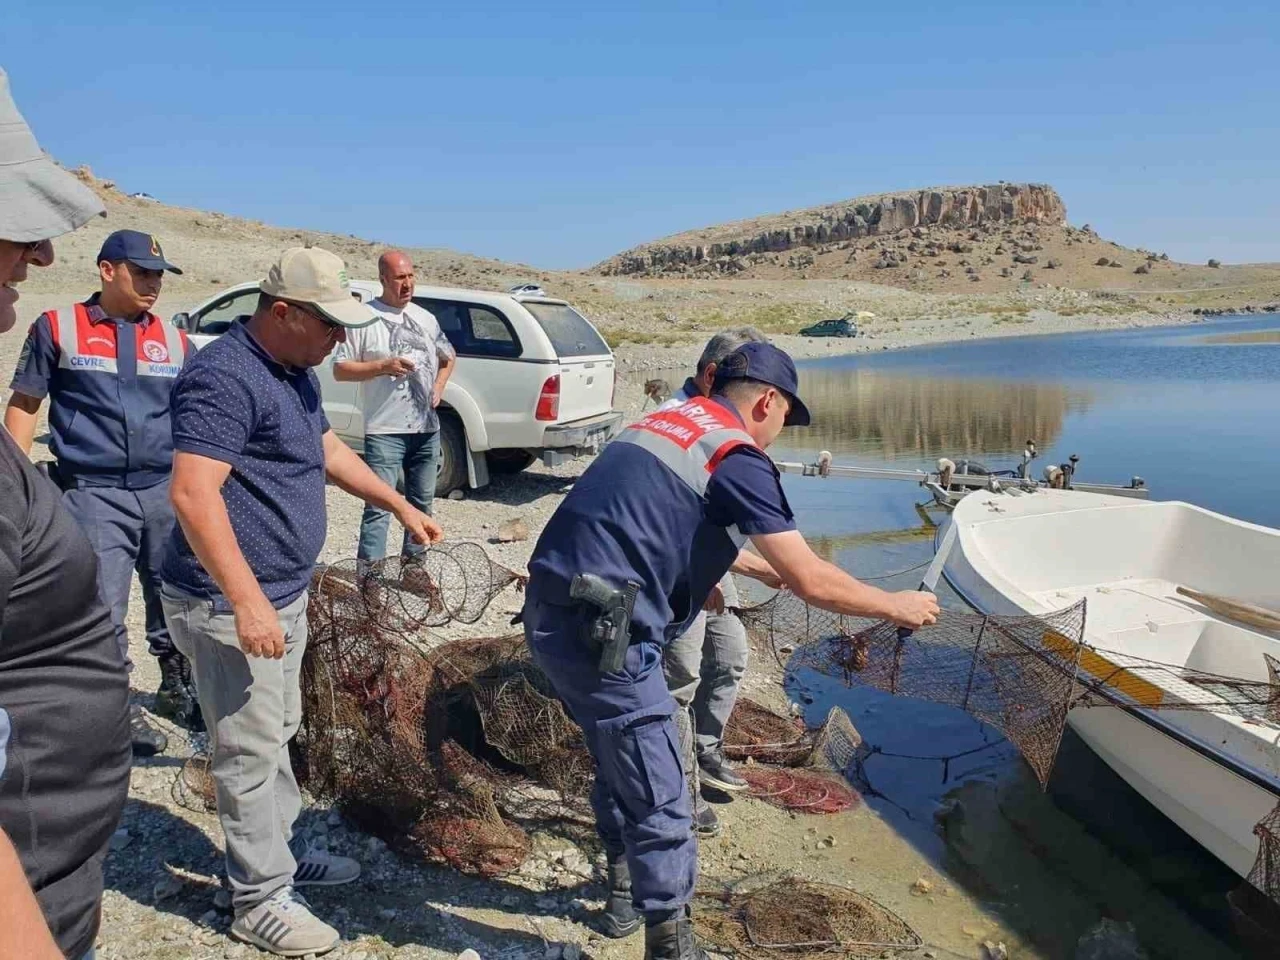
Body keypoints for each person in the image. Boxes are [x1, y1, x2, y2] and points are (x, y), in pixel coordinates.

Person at [522, 342, 938, 959]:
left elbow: (649, 518)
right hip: (606, 637)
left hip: (555, 613)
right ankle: (670, 936)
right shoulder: (736, 453)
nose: (776, 438)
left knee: (616, 752)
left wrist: (745, 564)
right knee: (661, 779)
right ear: (766, 400)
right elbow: (813, 580)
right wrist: (896, 605)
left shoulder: (664, 421)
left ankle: (621, 889)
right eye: (781, 421)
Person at [160, 245, 444, 958]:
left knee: (280, 727)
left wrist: (400, 504)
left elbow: (329, 453)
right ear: (281, 312)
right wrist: (247, 602)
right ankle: (256, 900)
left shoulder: (294, 371)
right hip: (228, 603)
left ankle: (272, 861)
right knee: (248, 748)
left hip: (280, 593)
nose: (339, 339)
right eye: (327, 324)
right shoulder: (225, 376)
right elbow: (193, 495)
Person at [0, 66, 131, 960]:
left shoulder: (161, 336)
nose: (38, 255)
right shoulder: (61, 330)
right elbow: (30, 407)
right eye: (15, 227)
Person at [5, 227, 199, 755]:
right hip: (92, 494)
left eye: (158, 275)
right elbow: (26, 406)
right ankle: (113, 713)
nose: (153, 284)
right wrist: (16, 493)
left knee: (174, 594)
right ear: (107, 269)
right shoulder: (58, 327)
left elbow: (192, 418)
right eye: (142, 273)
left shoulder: (175, 340)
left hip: (162, 490)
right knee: (103, 608)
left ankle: (177, 686)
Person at [658, 328, 773, 840]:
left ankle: (706, 749)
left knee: (729, 657)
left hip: (711, 569)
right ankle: (680, 790)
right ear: (712, 376)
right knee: (679, 681)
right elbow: (665, 524)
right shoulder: (672, 421)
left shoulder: (722, 424)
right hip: (674, 579)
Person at [332, 249, 455, 566]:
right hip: (385, 431)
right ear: (383, 279)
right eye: (400, 277)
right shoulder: (363, 317)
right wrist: (382, 366)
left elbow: (449, 356)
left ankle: (413, 569)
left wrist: (438, 388)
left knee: (422, 503)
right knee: (379, 507)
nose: (408, 283)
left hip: (427, 430)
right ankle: (369, 580)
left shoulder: (425, 318)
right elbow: (340, 369)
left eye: (411, 276)